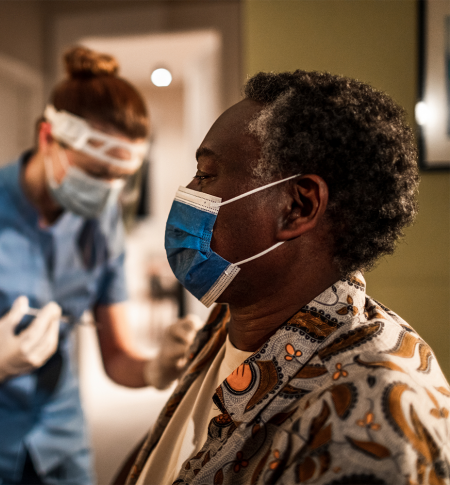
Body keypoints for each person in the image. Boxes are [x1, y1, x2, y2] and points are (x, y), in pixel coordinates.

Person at [0, 46, 200, 485]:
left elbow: (117, 357)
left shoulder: (101, 220)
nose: (108, 192)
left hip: (59, 444)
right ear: (47, 137)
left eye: (121, 178)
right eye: (95, 172)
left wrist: (154, 368)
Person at [124, 70, 450, 485]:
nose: (189, 190)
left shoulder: (366, 420)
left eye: (206, 175)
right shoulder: (230, 321)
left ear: (298, 206)